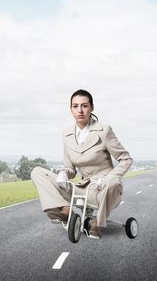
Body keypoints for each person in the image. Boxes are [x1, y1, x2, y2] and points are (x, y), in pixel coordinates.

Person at [30, 89, 133, 238]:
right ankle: (64, 212)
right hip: (83, 188)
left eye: (84, 106)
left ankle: (97, 223)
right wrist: (64, 174)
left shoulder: (104, 131)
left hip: (104, 189)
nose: (80, 110)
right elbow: (70, 168)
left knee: (113, 183)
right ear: (70, 109)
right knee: (37, 172)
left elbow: (126, 159)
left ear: (91, 107)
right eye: (75, 106)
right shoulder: (67, 134)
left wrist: (109, 178)